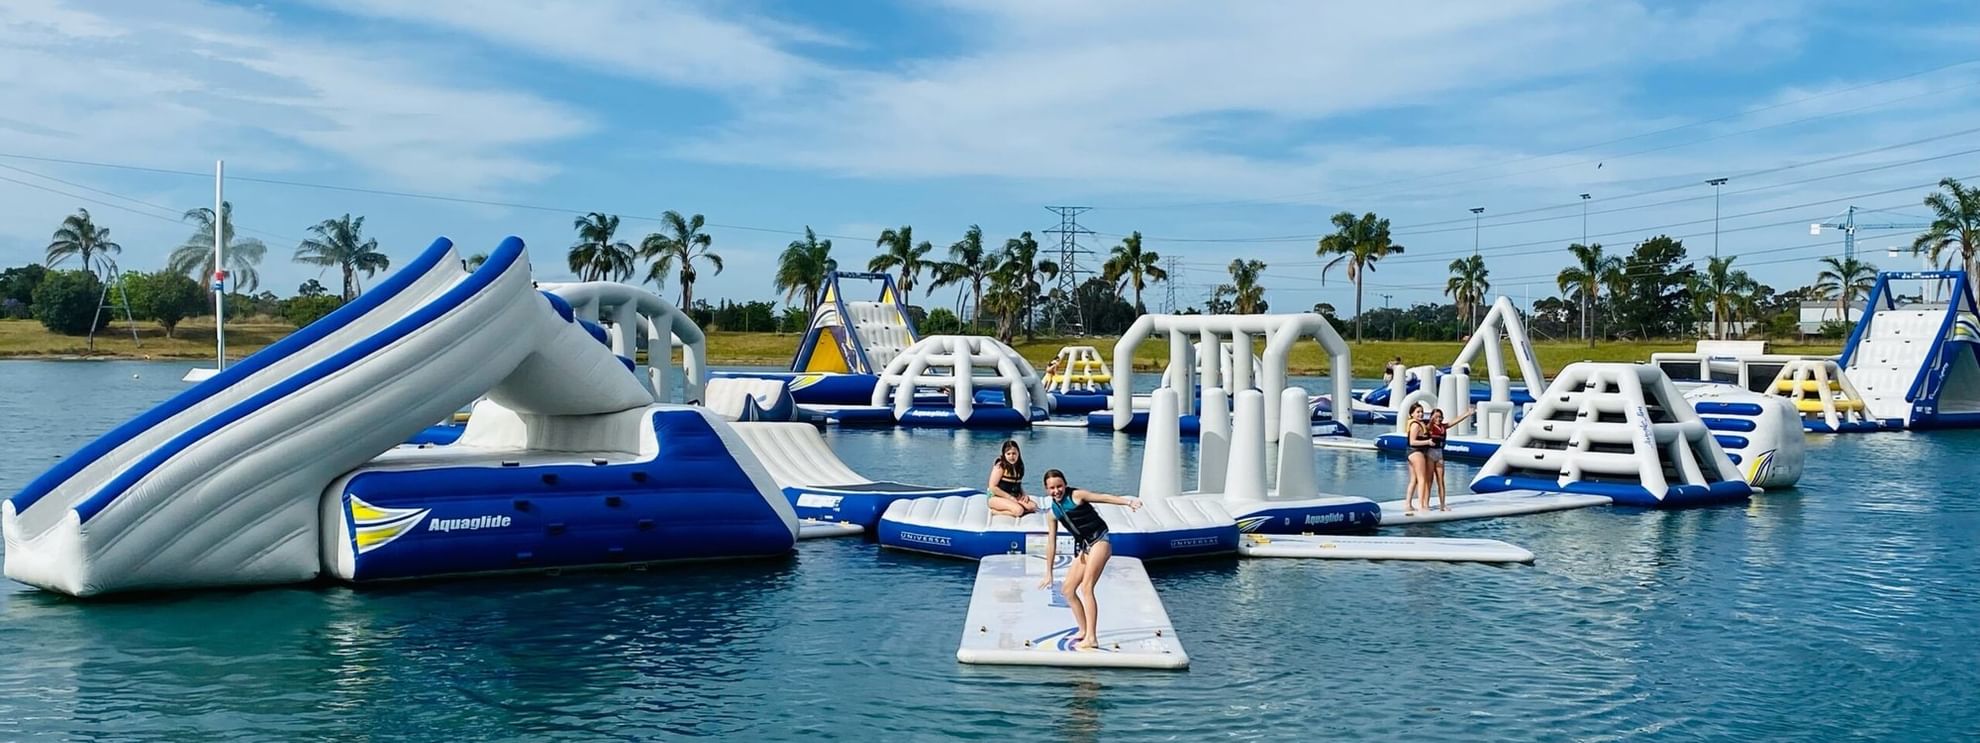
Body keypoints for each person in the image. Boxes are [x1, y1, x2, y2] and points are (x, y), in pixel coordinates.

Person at [1036, 469, 1142, 651]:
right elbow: (1051, 543)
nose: (1057, 491)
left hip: (1100, 541)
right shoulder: (1052, 512)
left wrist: (1128, 502)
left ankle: (1092, 637)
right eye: (1052, 488)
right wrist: (1048, 572)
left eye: (1059, 486)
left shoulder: (1077, 495)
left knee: (1086, 587)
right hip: (1086, 548)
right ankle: (1084, 630)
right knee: (1067, 590)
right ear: (1047, 490)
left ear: (1065, 484)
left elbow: (1104, 497)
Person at [1425, 407, 1474, 512]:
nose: (1438, 419)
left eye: (1440, 417)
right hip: (1430, 454)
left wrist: (1467, 414)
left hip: (1439, 454)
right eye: (1436, 417)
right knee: (1429, 481)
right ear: (1432, 417)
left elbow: (1455, 421)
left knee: (1440, 481)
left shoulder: (1443, 427)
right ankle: (1426, 504)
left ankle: (1442, 505)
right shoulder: (1429, 427)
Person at [987, 440, 1038, 517]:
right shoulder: (1000, 466)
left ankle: (1016, 508)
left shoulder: (1019, 466)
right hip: (996, 497)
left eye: (1014, 454)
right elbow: (992, 487)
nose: (1011, 456)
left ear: (1018, 454)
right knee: (1019, 511)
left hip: (1014, 496)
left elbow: (1018, 484)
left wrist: (1024, 494)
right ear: (1004, 455)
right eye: (1008, 454)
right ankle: (996, 512)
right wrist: (1009, 497)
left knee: (1033, 507)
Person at [1403, 403, 1433, 515]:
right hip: (1416, 452)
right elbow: (1412, 441)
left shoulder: (1420, 424)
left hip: (1411, 453)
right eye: (1418, 412)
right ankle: (1421, 504)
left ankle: (1408, 504)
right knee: (1422, 479)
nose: (1420, 414)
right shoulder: (1415, 425)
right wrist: (1427, 442)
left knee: (1414, 480)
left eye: (1421, 412)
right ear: (1412, 414)